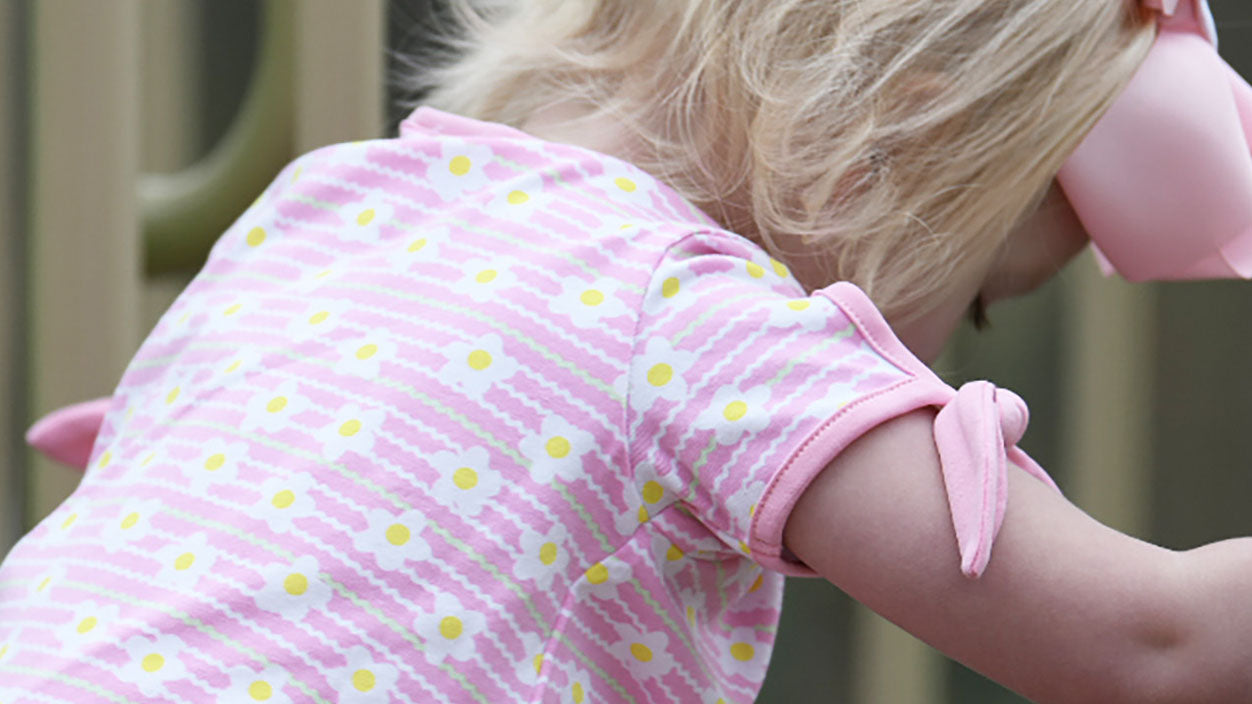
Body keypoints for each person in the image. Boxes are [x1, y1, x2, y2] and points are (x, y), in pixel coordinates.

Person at [1, 0, 1248, 702]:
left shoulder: (337, 201)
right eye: (979, 293)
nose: (938, 357)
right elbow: (1152, 642)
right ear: (908, 126)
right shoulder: (697, 321)